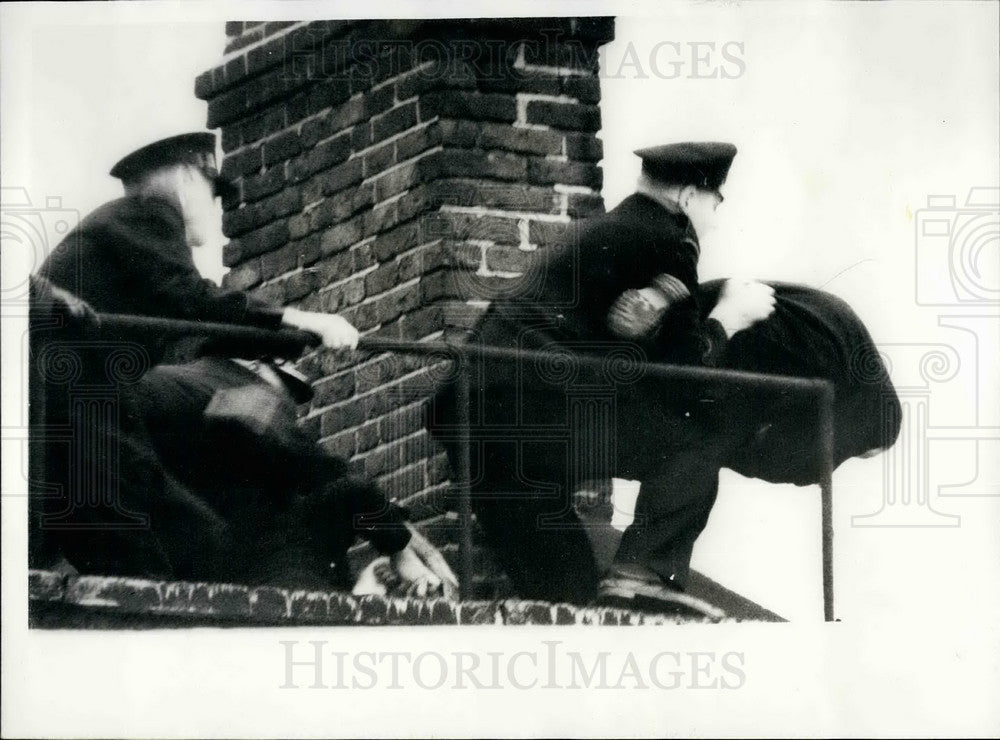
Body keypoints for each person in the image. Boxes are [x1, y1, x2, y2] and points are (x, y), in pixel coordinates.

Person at [38, 132, 455, 595]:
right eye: (213, 194)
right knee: (158, 567)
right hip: (76, 411)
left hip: (80, 413)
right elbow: (304, 453)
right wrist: (298, 319)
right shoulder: (149, 216)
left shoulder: (133, 260)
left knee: (177, 548)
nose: (286, 406)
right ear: (184, 178)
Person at [428, 142, 778, 608]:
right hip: (530, 410)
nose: (714, 218)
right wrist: (729, 318)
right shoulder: (668, 240)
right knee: (702, 431)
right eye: (716, 204)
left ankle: (605, 593)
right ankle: (643, 571)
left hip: (473, 424)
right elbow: (687, 377)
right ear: (690, 197)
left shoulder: (604, 231)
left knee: (567, 599)